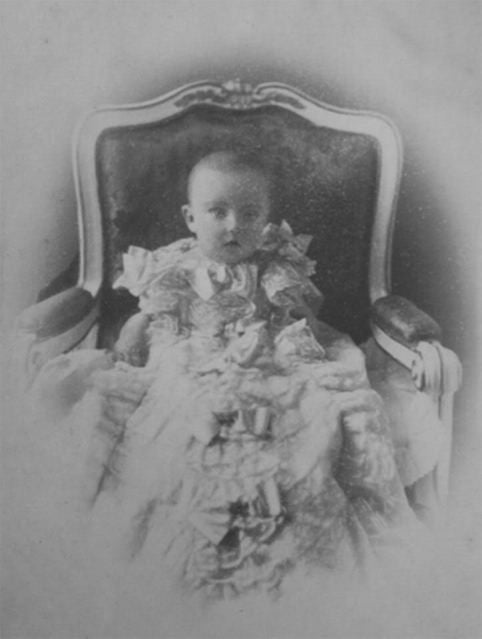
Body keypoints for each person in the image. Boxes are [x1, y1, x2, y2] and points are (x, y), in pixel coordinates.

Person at [34, 151, 420, 601]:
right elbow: (150, 316)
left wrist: (302, 318)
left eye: (250, 214)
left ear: (266, 220)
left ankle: (262, 520)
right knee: (178, 416)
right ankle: (208, 526)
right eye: (218, 212)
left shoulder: (274, 268)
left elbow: (302, 322)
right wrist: (132, 338)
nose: (234, 226)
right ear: (191, 218)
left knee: (294, 418)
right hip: (190, 352)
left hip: (265, 356)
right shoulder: (177, 267)